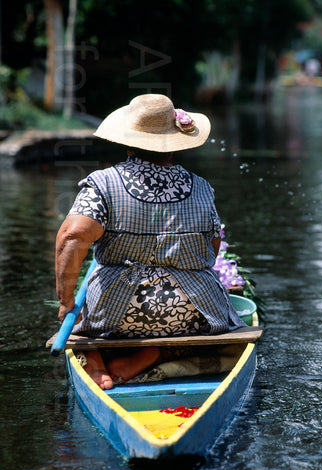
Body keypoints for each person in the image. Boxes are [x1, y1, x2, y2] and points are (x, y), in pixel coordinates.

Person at [56, 94, 246, 390]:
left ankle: (94, 357)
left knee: (79, 323)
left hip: (116, 314)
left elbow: (72, 237)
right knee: (211, 325)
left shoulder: (104, 184)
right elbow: (212, 248)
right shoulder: (202, 188)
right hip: (192, 313)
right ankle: (163, 351)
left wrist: (67, 301)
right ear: (173, 145)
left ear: (129, 142)